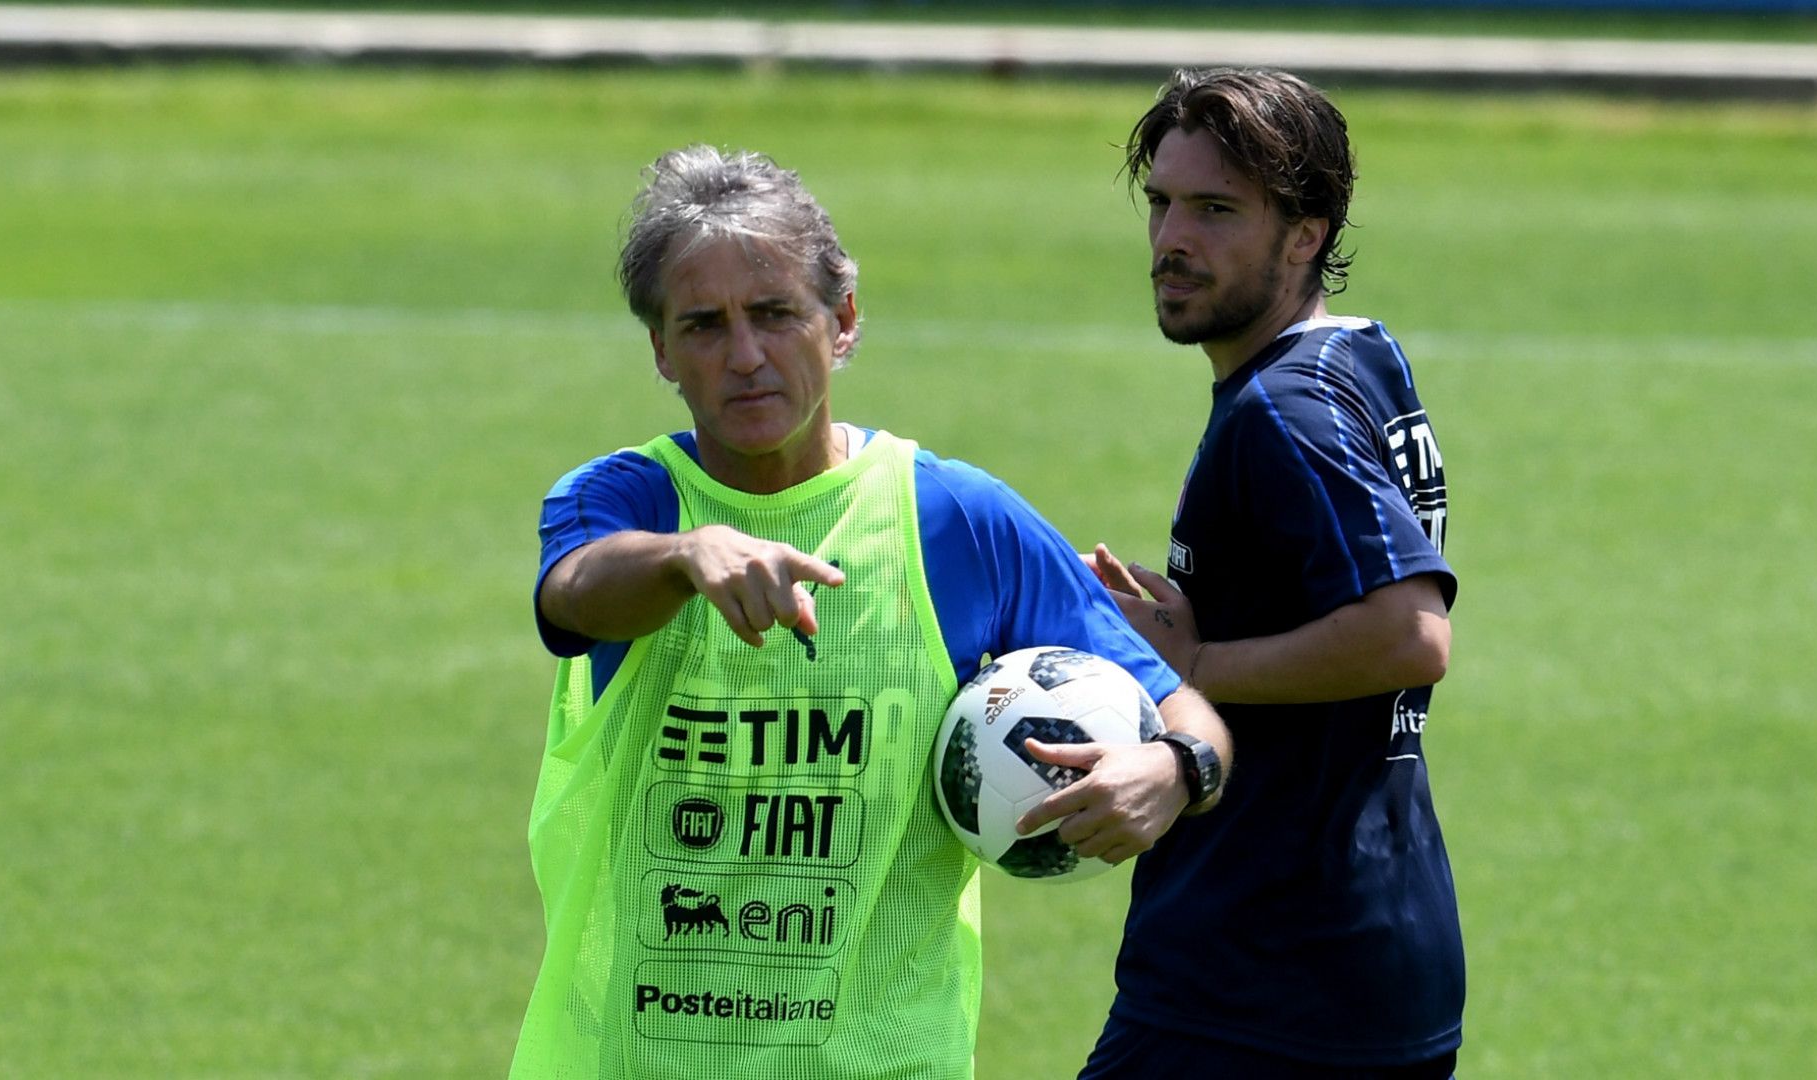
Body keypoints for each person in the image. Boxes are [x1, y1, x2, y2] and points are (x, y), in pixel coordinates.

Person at [511, 144, 1231, 1080]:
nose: (744, 356)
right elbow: (574, 596)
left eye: (774, 314)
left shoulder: (956, 520)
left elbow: (1186, 710)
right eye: (702, 325)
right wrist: (689, 555)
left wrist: (1173, 770)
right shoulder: (625, 501)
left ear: (842, 321)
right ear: (660, 350)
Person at [1075, 68, 1466, 1078]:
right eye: (1161, 203)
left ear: (1306, 234)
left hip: (1265, 975)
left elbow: (1410, 636)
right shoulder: (1354, 357)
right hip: (1354, 947)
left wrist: (1195, 664)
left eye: (1216, 211)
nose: (1172, 240)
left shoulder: (1281, 414)